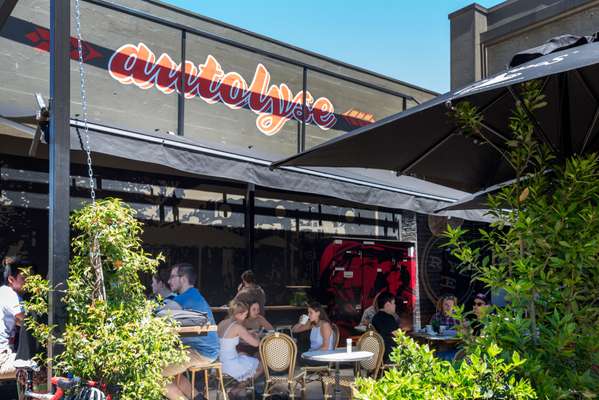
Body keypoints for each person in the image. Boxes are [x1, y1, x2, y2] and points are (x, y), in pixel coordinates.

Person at [163, 263, 219, 400]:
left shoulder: (186, 297)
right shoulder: (193, 295)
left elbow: (162, 312)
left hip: (200, 352)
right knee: (172, 372)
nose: (169, 281)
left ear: (182, 279)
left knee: (153, 372)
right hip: (207, 350)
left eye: (172, 277)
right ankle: (198, 398)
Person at [218, 300, 262, 397]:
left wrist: (246, 333)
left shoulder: (222, 323)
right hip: (230, 365)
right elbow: (256, 344)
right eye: (245, 315)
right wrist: (257, 335)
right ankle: (236, 390)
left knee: (245, 355)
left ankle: (241, 393)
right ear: (239, 314)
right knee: (260, 366)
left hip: (219, 364)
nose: (245, 317)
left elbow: (227, 339)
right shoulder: (237, 327)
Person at [0, 257, 25, 376]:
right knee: (40, 367)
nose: (28, 281)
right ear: (11, 279)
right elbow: (27, 320)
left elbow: (18, 322)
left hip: (4, 354)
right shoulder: (11, 295)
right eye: (23, 278)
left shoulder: (2, 292)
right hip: (2, 357)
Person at [371, 292, 399, 364]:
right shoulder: (389, 318)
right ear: (387, 305)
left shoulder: (375, 317)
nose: (395, 306)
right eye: (394, 303)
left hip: (379, 354)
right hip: (390, 355)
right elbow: (397, 335)